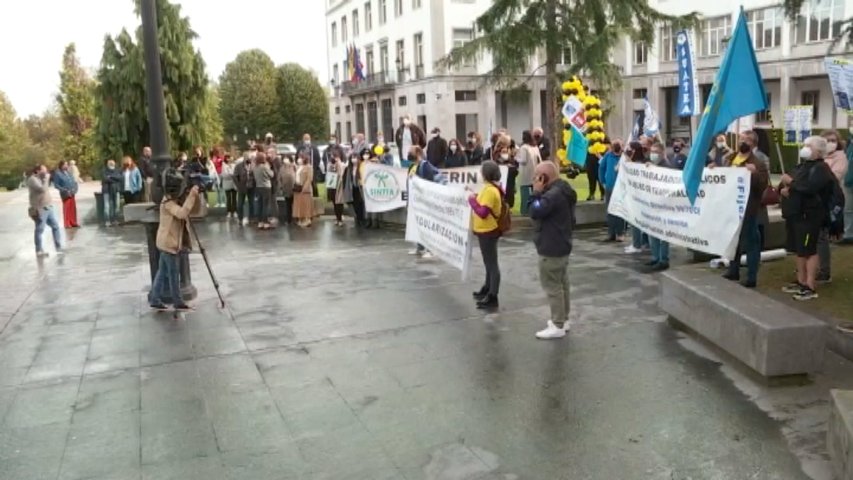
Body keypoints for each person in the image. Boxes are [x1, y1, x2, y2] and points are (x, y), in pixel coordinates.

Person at [779, 136, 837, 300]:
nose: (805, 148)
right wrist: (783, 189)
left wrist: (791, 182)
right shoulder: (803, 166)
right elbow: (791, 183)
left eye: (808, 146)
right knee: (799, 250)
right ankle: (800, 280)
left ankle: (810, 284)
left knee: (808, 250)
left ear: (818, 151)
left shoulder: (821, 169)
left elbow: (809, 188)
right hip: (797, 214)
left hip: (810, 215)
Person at [529, 161, 577, 339]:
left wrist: (535, 192)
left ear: (544, 177)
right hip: (562, 244)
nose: (535, 179)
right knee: (562, 283)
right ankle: (563, 319)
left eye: (537, 176)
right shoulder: (563, 190)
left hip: (551, 246)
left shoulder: (551, 196)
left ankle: (557, 324)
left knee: (553, 286)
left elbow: (534, 211)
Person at [720, 131, 770, 288]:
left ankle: (751, 276)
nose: (743, 142)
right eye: (741, 139)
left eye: (747, 140)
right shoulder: (732, 158)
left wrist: (754, 174)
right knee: (733, 240)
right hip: (731, 207)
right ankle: (733, 270)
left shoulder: (757, 162)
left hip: (748, 208)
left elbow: (762, 185)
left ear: (753, 143)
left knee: (751, 242)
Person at [148, 178, 200, 313]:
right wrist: (192, 195)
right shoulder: (168, 203)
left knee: (162, 272)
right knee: (173, 273)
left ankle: (155, 299)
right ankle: (178, 302)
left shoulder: (169, 200)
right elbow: (182, 213)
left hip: (165, 242)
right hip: (169, 244)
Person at [468, 160, 505, 311]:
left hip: (488, 230)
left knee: (491, 263)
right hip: (485, 230)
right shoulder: (489, 188)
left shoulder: (490, 190)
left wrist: (472, 201)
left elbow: (483, 212)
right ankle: (488, 287)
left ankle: (493, 295)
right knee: (488, 262)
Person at [815, 130, 849, 283]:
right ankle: (814, 266)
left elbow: (834, 177)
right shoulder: (819, 158)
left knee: (822, 236)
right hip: (814, 200)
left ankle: (824, 270)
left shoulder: (840, 157)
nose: (830, 142)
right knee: (814, 236)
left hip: (830, 201)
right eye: (826, 140)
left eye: (833, 140)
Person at [407, 146, 443, 258]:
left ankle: (431, 249)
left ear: (418, 153)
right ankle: (420, 246)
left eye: (411, 153)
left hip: (426, 200)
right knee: (419, 224)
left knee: (428, 225)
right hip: (417, 200)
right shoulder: (413, 166)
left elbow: (429, 183)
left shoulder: (425, 166)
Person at [28, 165, 62, 257]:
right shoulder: (32, 180)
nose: (46, 172)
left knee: (55, 226)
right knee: (40, 229)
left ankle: (58, 247)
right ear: (37, 171)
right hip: (39, 208)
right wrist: (46, 179)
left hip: (48, 207)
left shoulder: (41, 178)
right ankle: (39, 250)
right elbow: (42, 190)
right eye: (44, 171)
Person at [624, 142, 649, 255]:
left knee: (636, 221)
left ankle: (637, 244)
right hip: (636, 196)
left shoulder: (639, 163)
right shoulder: (637, 162)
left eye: (630, 148)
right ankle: (639, 243)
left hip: (639, 197)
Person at [599, 139, 625, 242]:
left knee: (619, 211)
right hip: (609, 187)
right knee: (610, 211)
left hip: (621, 188)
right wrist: (603, 182)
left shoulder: (624, 157)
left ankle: (620, 233)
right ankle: (611, 233)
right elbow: (601, 168)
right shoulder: (608, 155)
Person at [516, 130, 542, 215]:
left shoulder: (524, 148)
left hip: (526, 174)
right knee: (534, 193)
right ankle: (534, 209)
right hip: (535, 173)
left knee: (525, 194)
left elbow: (523, 160)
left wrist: (516, 158)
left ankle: (525, 211)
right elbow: (540, 160)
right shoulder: (535, 147)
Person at [340, 152, 366, 227]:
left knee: (360, 204)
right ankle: (357, 219)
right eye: (352, 158)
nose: (353, 160)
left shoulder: (361, 167)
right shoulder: (349, 168)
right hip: (352, 189)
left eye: (355, 158)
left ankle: (361, 219)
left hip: (359, 188)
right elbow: (345, 178)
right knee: (354, 204)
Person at [53, 161, 80, 229]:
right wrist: (64, 190)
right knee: (67, 208)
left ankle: (73, 222)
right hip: (65, 193)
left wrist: (75, 188)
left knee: (73, 208)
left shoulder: (68, 172)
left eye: (67, 164)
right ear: (61, 165)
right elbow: (56, 185)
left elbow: (73, 180)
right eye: (65, 164)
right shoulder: (58, 174)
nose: (66, 166)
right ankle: (67, 223)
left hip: (72, 192)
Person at [253, 153, 274, 230]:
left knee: (260, 205)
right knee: (266, 205)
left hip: (258, 187)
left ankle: (260, 222)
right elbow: (271, 175)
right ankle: (265, 222)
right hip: (266, 187)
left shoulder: (255, 167)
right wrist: (269, 167)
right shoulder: (264, 167)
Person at [293, 152, 315, 228]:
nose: (299, 159)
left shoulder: (309, 167)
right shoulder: (299, 167)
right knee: (300, 205)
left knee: (306, 205)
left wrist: (304, 188)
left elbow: (309, 179)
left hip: (305, 189)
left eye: (301, 158)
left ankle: (307, 219)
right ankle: (301, 219)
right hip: (298, 187)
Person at [233, 152, 255, 226]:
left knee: (251, 203)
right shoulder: (239, 166)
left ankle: (251, 218)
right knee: (240, 204)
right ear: (244, 158)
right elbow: (235, 176)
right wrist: (238, 185)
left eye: (249, 157)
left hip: (251, 187)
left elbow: (255, 175)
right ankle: (240, 218)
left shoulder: (253, 165)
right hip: (242, 187)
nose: (248, 159)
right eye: (247, 157)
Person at [326, 149, 345, 226]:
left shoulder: (340, 164)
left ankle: (340, 218)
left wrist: (338, 164)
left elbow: (341, 173)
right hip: (332, 185)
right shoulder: (329, 164)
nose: (333, 158)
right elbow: (328, 172)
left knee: (339, 203)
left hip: (338, 186)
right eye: (332, 156)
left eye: (335, 156)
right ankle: (337, 218)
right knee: (334, 202)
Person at [101, 159, 123, 227]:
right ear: (107, 164)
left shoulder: (117, 170)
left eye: (112, 163)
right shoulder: (104, 171)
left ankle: (115, 220)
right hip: (107, 191)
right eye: (110, 163)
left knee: (117, 206)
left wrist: (111, 177)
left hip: (116, 190)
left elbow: (120, 178)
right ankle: (107, 221)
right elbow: (105, 179)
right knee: (107, 206)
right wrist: (115, 179)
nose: (111, 164)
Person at [279, 156, 296, 225]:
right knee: (288, 205)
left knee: (294, 204)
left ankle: (295, 218)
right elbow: (279, 178)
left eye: (287, 158)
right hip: (286, 188)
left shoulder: (294, 166)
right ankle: (289, 219)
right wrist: (281, 186)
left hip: (294, 188)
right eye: (284, 158)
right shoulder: (282, 168)